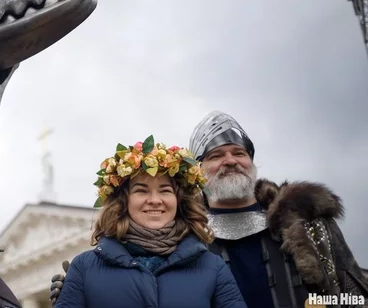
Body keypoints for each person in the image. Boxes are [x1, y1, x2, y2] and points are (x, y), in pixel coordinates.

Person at [51, 111, 368, 308]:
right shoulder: (177, 234)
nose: (230, 160)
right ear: (199, 170)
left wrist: (324, 303)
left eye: (238, 153)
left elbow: (352, 292)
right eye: (216, 155)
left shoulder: (305, 220)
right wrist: (83, 290)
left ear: (251, 161)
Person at [53, 135, 247, 308]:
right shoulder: (85, 267)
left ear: (178, 201)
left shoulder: (212, 267)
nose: (155, 200)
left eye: (165, 190)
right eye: (141, 190)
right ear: (124, 201)